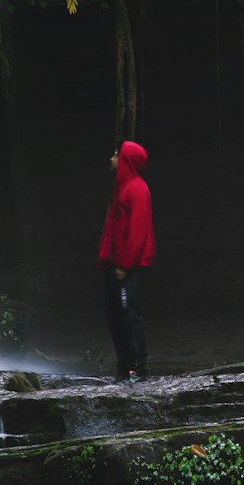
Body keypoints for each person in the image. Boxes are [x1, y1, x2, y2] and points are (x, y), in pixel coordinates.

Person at [98, 140, 155, 384]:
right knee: (114, 317)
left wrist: (125, 265)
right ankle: (123, 367)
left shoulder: (137, 189)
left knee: (129, 314)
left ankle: (137, 368)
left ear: (125, 161)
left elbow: (138, 232)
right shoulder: (121, 188)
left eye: (115, 155)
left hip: (130, 265)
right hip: (117, 264)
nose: (111, 158)